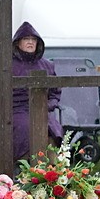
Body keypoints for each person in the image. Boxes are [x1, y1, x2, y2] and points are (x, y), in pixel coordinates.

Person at [11, 22, 64, 161]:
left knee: (52, 128)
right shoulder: (7, 65)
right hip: (16, 110)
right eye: (26, 39)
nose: (30, 42)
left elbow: (55, 92)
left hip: (41, 108)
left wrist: (48, 105)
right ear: (18, 43)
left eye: (33, 39)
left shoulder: (47, 65)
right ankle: (24, 166)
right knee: (25, 128)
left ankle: (52, 169)